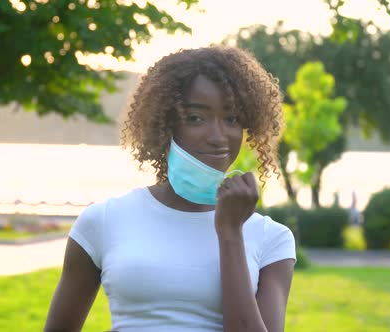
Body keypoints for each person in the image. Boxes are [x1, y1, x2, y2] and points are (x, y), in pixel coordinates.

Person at [44, 46, 296, 332]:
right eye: (195, 118)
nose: (218, 136)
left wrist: (230, 233)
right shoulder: (103, 220)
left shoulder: (271, 239)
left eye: (232, 119)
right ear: (164, 124)